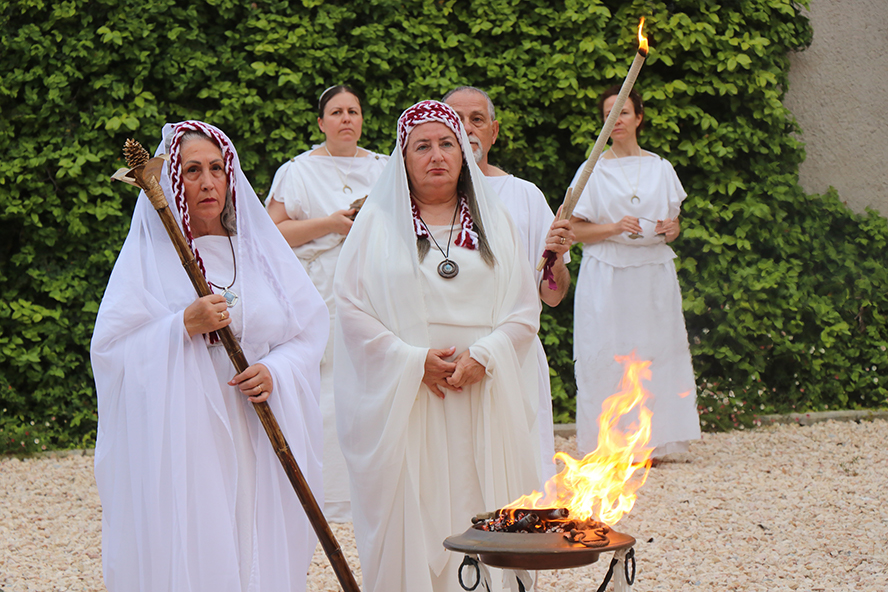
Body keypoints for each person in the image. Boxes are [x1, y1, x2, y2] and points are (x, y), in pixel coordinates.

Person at [92, 121, 328, 591]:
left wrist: (276, 371)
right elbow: (113, 350)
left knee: (258, 539)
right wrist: (180, 326)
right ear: (174, 181)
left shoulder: (262, 253)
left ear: (231, 176)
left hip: (260, 428)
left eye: (217, 169)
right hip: (188, 437)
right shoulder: (150, 256)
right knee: (202, 538)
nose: (206, 182)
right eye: (191, 170)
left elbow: (308, 331)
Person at [333, 101, 542, 592]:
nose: (436, 155)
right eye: (421, 146)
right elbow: (350, 308)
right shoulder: (377, 228)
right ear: (402, 159)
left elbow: (523, 311)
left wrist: (484, 356)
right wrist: (411, 362)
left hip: (482, 399)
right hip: (413, 401)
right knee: (419, 513)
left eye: (446, 143)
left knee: (483, 500)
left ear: (464, 154)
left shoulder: (497, 224)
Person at [266, 84, 388, 522]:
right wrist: (330, 225)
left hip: (376, 287)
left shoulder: (386, 167)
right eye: (336, 112)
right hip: (320, 288)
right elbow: (271, 233)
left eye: (353, 111)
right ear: (321, 123)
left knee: (374, 381)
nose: (346, 119)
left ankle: (374, 487)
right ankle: (324, 491)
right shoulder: (297, 171)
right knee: (325, 386)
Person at [444, 86, 575, 483]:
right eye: (457, 119)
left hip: (511, 355)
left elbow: (552, 295)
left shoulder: (525, 196)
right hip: (446, 357)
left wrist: (555, 261)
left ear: (494, 132)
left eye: (477, 120)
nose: (467, 129)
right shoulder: (421, 198)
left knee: (517, 477)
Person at [569, 86, 701, 460]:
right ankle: (610, 445)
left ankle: (658, 441)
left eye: (623, 113)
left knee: (657, 352)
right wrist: (613, 227)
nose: (617, 121)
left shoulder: (661, 168)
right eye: (610, 114)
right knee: (609, 353)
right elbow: (573, 230)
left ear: (638, 117)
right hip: (607, 275)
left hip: (651, 273)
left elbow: (674, 224)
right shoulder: (593, 168)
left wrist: (671, 230)